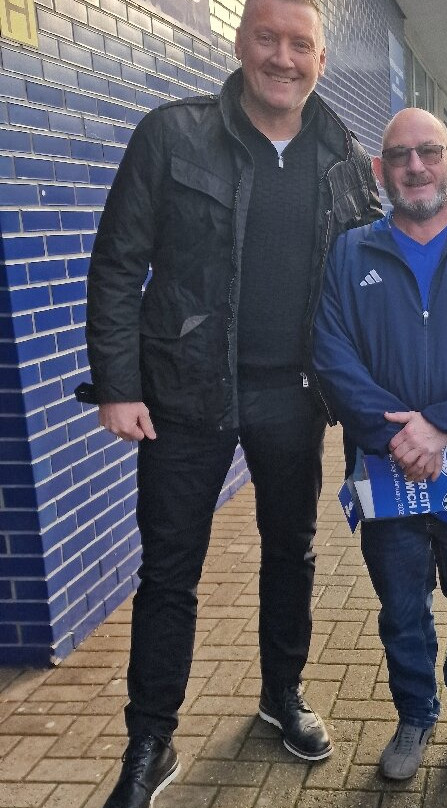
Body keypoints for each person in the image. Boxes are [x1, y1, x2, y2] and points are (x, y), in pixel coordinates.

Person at [82, 0, 381, 804]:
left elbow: (375, 279)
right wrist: (116, 384)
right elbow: (117, 263)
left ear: (320, 58)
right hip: (183, 395)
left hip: (294, 397)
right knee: (170, 573)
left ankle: (280, 696)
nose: (282, 58)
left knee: (292, 554)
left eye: (300, 45)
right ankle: (151, 739)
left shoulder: (342, 155)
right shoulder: (172, 134)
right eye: (267, 38)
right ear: (239, 41)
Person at [312, 108, 447, 788]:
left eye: (427, 152)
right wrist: (396, 437)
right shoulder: (351, 253)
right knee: (402, 612)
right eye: (399, 156)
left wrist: (440, 426)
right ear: (380, 171)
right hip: (386, 474)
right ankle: (413, 715)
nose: (414, 167)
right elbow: (330, 352)